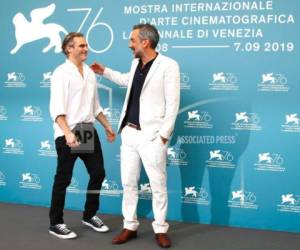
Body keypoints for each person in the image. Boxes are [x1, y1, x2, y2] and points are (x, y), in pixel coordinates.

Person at [91, 23, 180, 248]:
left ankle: (160, 229)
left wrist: (163, 136)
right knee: (129, 183)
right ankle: (129, 225)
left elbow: (173, 103)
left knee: (158, 184)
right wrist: (105, 72)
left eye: (132, 40)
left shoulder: (168, 65)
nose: (129, 44)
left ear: (145, 42)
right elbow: (125, 80)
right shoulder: (135, 64)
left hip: (152, 137)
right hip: (129, 133)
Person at [49, 32, 116, 239]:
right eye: (81, 46)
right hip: (68, 131)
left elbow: (95, 106)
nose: (86, 49)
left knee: (98, 173)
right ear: (69, 48)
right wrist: (68, 133)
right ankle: (56, 223)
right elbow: (56, 108)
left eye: (86, 45)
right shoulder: (61, 73)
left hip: (88, 130)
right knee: (63, 178)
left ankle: (89, 215)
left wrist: (107, 126)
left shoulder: (88, 72)